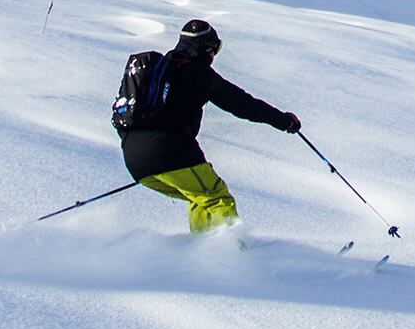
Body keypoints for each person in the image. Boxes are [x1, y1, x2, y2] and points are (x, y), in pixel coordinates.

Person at [119, 20, 299, 233]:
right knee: (218, 198)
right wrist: (283, 120)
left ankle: (202, 256)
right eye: (215, 50)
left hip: (134, 157)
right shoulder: (196, 72)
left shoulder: (158, 72)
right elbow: (241, 103)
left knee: (200, 197)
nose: (214, 57)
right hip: (170, 151)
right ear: (206, 48)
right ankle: (232, 258)